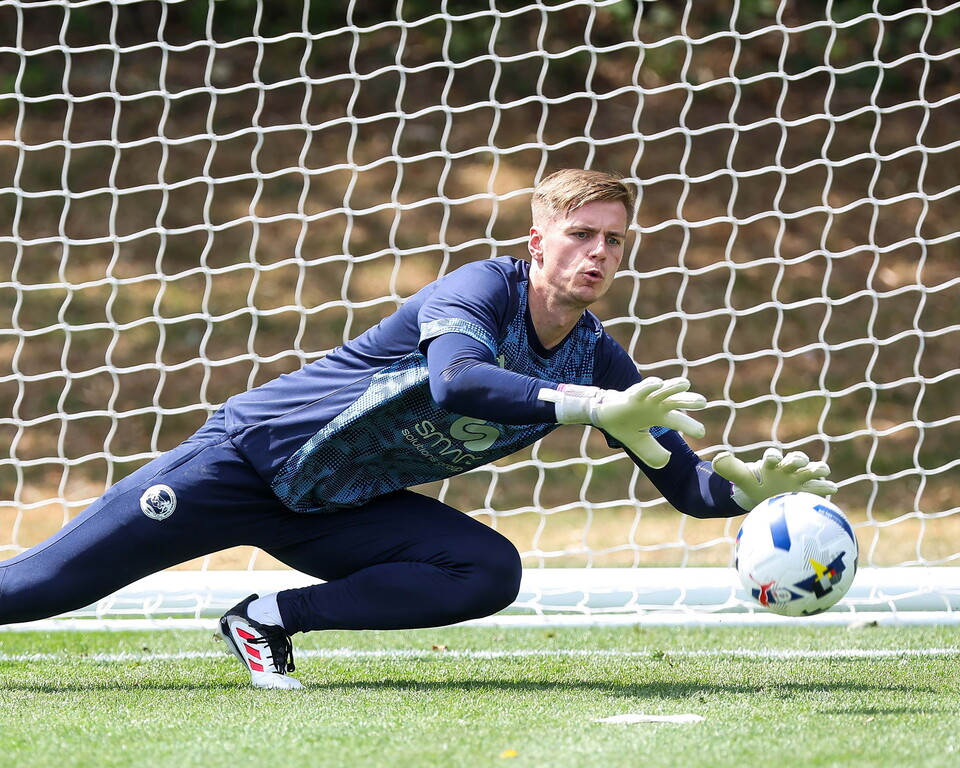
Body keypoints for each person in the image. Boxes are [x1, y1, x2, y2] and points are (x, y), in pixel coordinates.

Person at [0, 169, 836, 688]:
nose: (598, 253)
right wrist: (587, 409)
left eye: (614, 241)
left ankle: (263, 620)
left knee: (484, 570)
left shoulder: (598, 360)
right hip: (246, 464)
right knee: (33, 592)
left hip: (337, 506)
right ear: (536, 242)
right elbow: (459, 381)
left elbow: (683, 483)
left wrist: (742, 493)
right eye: (580, 235)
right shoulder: (480, 289)